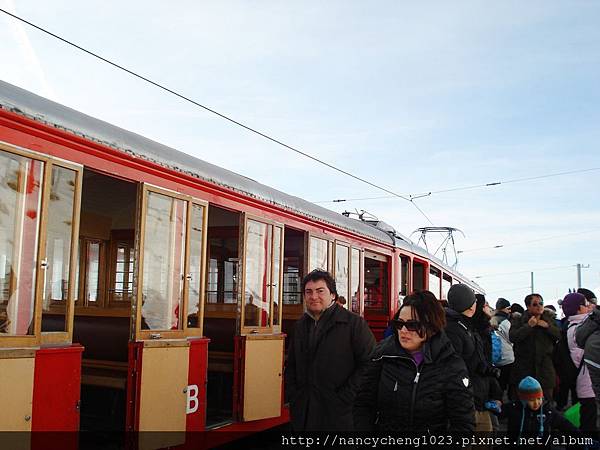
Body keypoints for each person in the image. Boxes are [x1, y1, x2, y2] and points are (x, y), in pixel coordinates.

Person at [354, 290, 474, 433]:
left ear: (431, 325)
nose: (404, 330)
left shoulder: (450, 364)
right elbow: (363, 404)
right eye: (399, 324)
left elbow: (463, 423)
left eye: (412, 325)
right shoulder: (382, 356)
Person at [285, 269, 375, 431]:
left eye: (320, 291)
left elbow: (370, 364)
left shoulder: (353, 324)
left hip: (339, 414)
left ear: (333, 294)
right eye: (308, 292)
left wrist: (346, 396)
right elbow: (292, 363)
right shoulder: (300, 325)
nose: (314, 297)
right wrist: (294, 394)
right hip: (303, 412)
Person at [445, 285, 501, 433]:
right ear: (470, 307)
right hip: (469, 400)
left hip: (475, 396)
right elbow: (456, 369)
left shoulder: (462, 326)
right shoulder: (457, 330)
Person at [509, 293, 560, 402]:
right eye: (535, 304)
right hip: (524, 368)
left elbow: (559, 335)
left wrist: (547, 326)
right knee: (524, 401)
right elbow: (513, 337)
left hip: (545, 369)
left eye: (541, 303)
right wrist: (528, 326)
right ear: (528, 307)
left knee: (546, 401)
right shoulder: (519, 320)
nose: (539, 306)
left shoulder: (549, 319)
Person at [560, 292, 597, 435]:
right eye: (586, 304)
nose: (589, 307)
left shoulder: (573, 326)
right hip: (587, 384)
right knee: (589, 424)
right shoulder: (577, 329)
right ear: (578, 308)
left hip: (586, 383)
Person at [500, 376, 577, 441]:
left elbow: (564, 424)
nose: (536, 403)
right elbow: (498, 412)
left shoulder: (548, 411)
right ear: (523, 399)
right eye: (531, 400)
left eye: (539, 398)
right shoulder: (514, 408)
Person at [490, 297, 515, 393]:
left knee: (498, 384)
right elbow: (511, 338)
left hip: (494, 357)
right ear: (504, 309)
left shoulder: (491, 320)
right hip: (507, 358)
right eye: (508, 308)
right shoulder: (506, 322)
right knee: (505, 385)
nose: (510, 311)